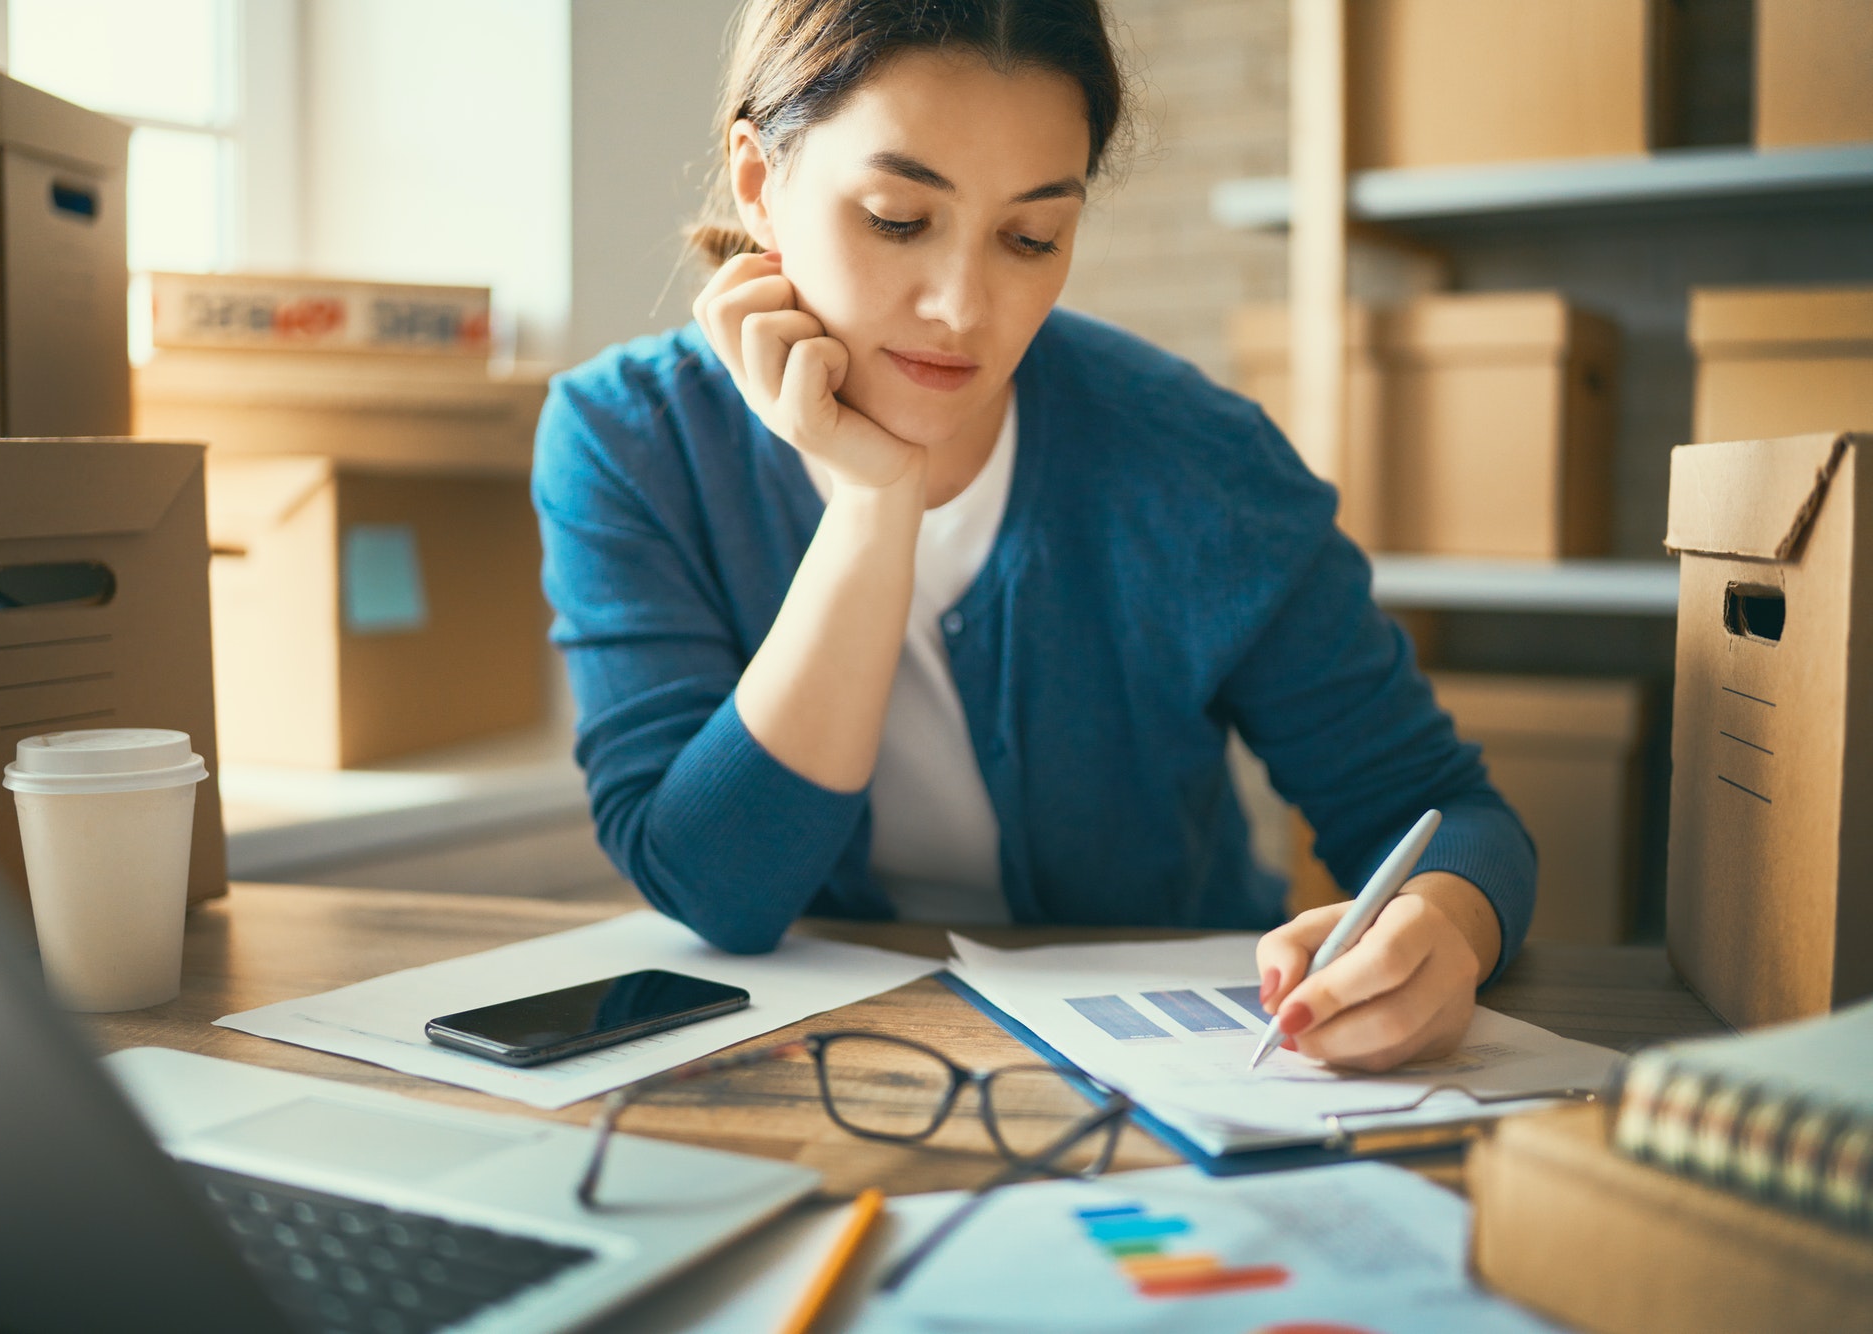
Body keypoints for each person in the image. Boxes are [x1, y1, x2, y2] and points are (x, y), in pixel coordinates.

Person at [534, 0, 1533, 1072]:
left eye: (1029, 237)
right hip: (817, 1075)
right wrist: (875, 504)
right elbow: (712, 888)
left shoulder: (1199, 462)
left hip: (1164, 1070)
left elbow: (1442, 815)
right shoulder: (628, 442)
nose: (962, 306)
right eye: (895, 217)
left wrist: (1445, 927)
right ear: (757, 182)